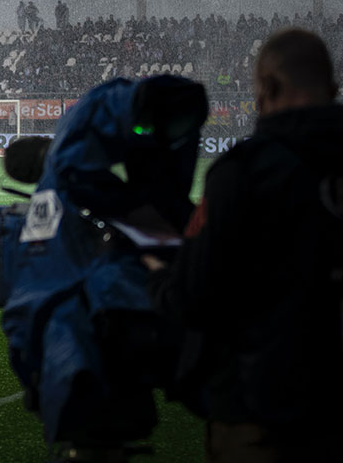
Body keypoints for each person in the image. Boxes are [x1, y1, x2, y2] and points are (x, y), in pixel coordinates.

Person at [145, 28, 343, 461]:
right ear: (332, 88)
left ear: (266, 88)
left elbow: (194, 296)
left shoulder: (245, 172)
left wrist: (157, 278)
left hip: (263, 409)